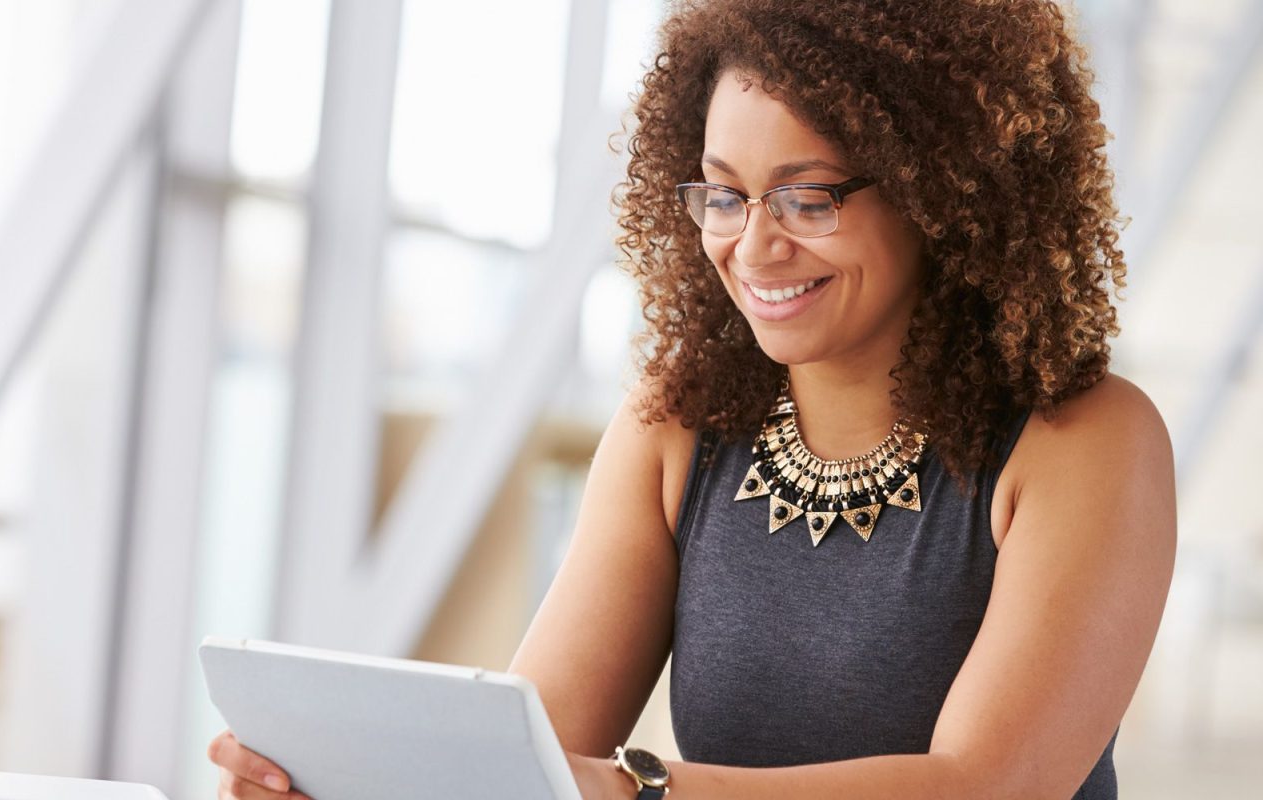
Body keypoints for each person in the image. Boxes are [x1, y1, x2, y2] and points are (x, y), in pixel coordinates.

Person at [206, 0, 1176, 797]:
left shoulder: (1084, 441)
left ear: (944, 189)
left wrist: (639, 789)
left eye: (807, 197)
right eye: (722, 194)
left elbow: (983, 787)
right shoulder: (675, 428)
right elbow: (521, 760)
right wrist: (334, 781)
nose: (752, 247)